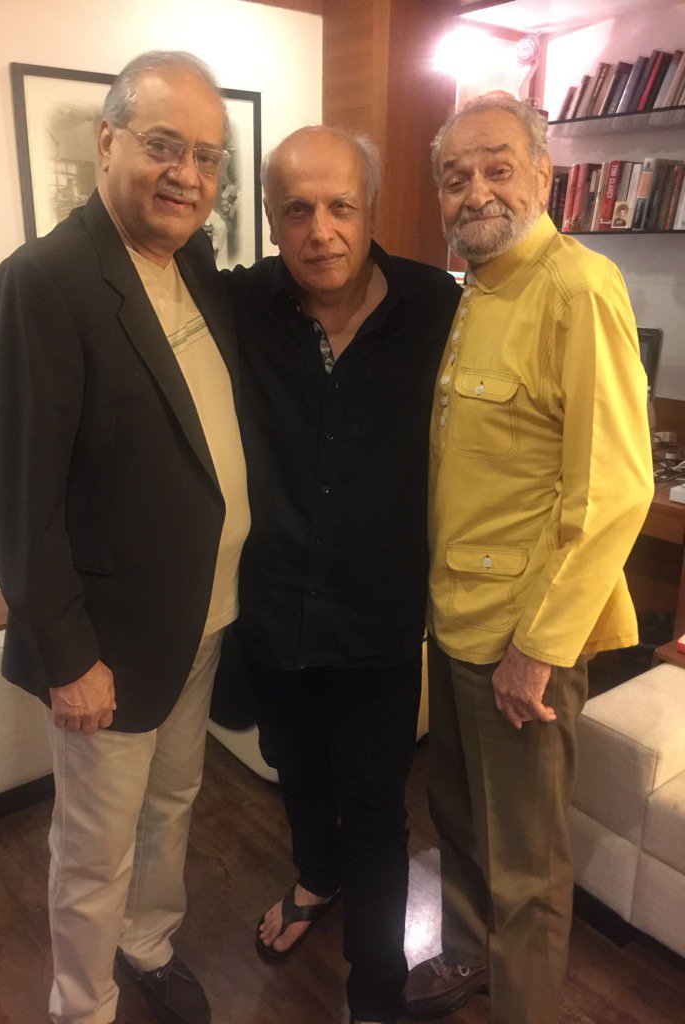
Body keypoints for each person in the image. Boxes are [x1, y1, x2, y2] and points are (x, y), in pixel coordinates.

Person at [0, 50, 249, 1024]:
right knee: (95, 848)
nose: (187, 174)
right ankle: (82, 1004)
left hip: (202, 620)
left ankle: (148, 943)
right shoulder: (43, 282)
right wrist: (68, 657)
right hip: (109, 647)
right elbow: (18, 496)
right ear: (106, 141)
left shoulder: (196, 269)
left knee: (173, 805)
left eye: (207, 157)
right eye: (164, 145)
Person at [402, 92, 653, 1024]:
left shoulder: (578, 288)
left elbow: (614, 489)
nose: (475, 191)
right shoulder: (475, 291)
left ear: (543, 176)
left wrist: (537, 650)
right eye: (454, 176)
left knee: (529, 866)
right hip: (456, 624)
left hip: (523, 643)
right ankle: (469, 960)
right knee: (460, 820)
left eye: (497, 168)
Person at [221, 126, 459, 1024]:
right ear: (271, 219)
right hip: (272, 611)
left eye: (340, 207)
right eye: (297, 209)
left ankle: (375, 991)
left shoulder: (439, 306)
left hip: (378, 623)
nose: (320, 230)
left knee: (375, 812)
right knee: (295, 771)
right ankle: (314, 878)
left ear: (371, 210)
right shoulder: (240, 303)